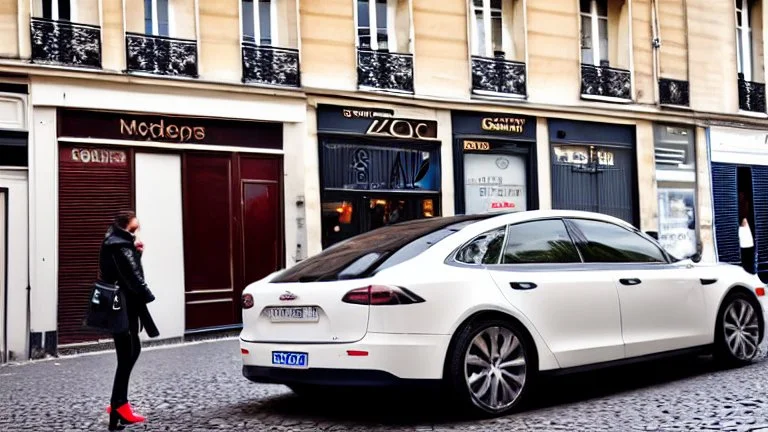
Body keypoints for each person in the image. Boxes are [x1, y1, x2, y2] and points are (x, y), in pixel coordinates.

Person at [99, 211, 158, 430]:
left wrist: (137, 253)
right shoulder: (120, 245)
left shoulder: (118, 243)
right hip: (124, 305)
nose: (139, 223)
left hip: (122, 305)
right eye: (136, 220)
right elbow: (132, 276)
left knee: (130, 352)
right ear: (127, 223)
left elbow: (123, 270)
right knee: (128, 353)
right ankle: (119, 405)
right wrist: (148, 295)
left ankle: (118, 403)